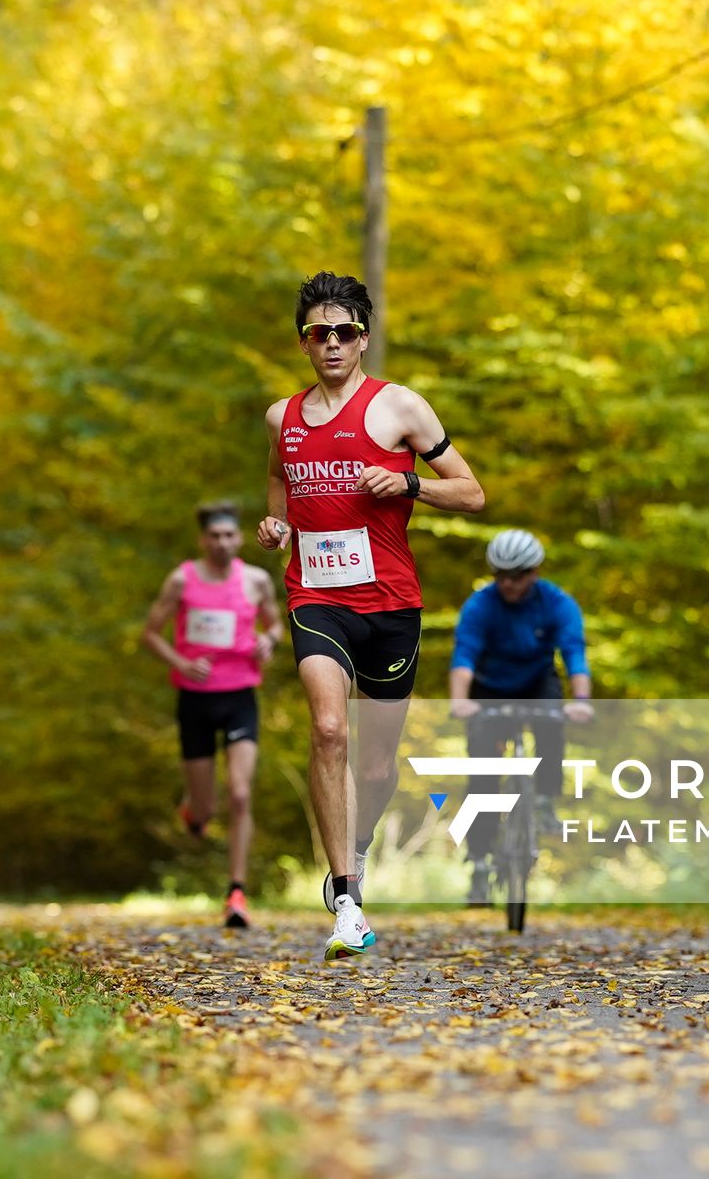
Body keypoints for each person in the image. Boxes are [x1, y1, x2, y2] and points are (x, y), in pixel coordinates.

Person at [255, 271, 484, 960]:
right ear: (303, 343)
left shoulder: (401, 409)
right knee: (329, 729)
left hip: (390, 604)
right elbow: (276, 478)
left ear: (363, 338)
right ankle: (346, 894)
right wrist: (276, 524)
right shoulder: (282, 417)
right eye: (318, 332)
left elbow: (472, 494)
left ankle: (358, 841)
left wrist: (408, 481)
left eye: (345, 331)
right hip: (315, 597)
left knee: (379, 765)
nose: (332, 343)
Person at [142, 501, 284, 929]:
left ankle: (236, 892)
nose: (222, 543)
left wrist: (269, 641)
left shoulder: (256, 580)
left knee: (240, 794)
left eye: (229, 536)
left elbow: (276, 625)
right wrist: (180, 664)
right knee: (207, 807)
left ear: (238, 538)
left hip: (240, 694)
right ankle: (194, 812)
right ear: (202, 539)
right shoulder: (181, 581)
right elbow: (150, 633)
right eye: (214, 536)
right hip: (195, 698)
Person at [449, 529, 593, 905]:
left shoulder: (557, 603)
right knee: (483, 777)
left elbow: (574, 653)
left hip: (537, 682)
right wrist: (459, 700)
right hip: (490, 688)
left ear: (534, 572)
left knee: (552, 726)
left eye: (517, 576)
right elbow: (464, 656)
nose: (508, 584)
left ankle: (545, 799)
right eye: (500, 575)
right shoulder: (481, 605)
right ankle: (479, 862)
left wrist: (581, 700)